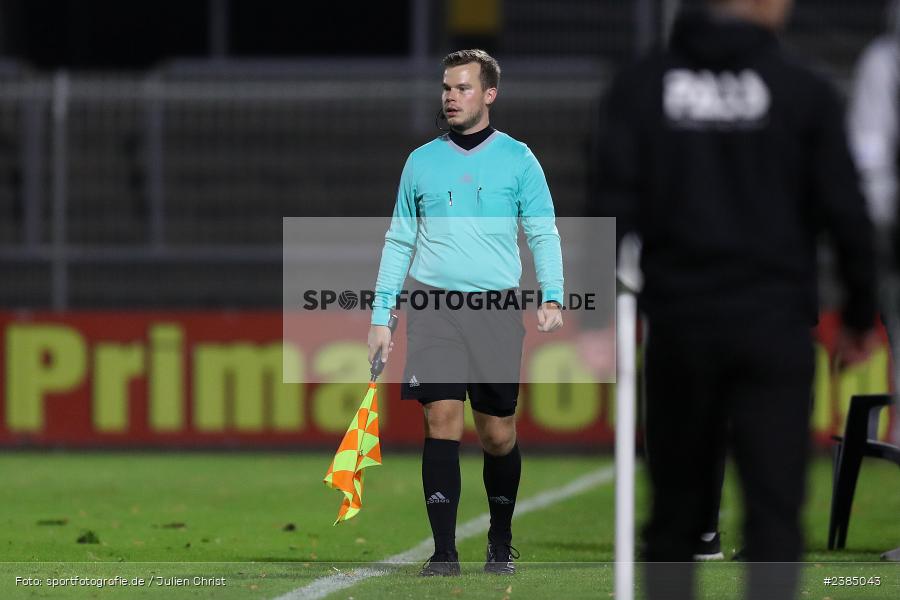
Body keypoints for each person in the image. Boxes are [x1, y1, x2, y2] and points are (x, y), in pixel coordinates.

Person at [592, 1, 879, 599]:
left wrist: (593, 315)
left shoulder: (642, 86)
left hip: (680, 325)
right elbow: (846, 210)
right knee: (774, 516)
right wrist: (858, 311)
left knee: (675, 518)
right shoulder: (802, 90)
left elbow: (610, 198)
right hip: (773, 328)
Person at [367, 49, 565, 577]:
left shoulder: (519, 160)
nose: (451, 98)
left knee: (497, 434)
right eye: (447, 88)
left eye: (463, 88)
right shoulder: (421, 162)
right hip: (434, 308)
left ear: (489, 94)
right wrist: (380, 318)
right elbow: (398, 240)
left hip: (497, 308)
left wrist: (552, 293)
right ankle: (444, 552)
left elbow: (542, 229)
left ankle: (500, 543)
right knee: (441, 420)